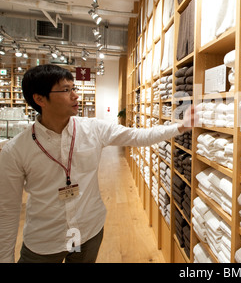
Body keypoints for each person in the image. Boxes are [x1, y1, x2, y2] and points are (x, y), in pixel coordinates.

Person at [0, 64, 195, 263]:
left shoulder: (92, 129)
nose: (75, 95)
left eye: (73, 88)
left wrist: (180, 127)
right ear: (39, 99)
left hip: (88, 232)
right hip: (45, 241)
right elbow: (7, 209)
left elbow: (138, 137)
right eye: (66, 90)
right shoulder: (15, 150)